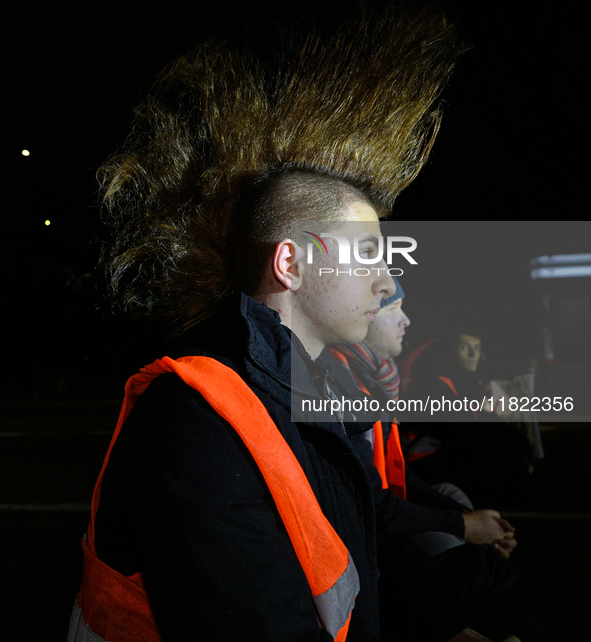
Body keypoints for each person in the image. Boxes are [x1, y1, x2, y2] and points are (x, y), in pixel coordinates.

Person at [67, 5, 526, 642]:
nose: (388, 281)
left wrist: (458, 628)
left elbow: (370, 537)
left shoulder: (314, 397)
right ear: (291, 263)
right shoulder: (198, 425)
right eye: (367, 255)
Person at [401, 324, 533, 506]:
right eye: (465, 348)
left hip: (445, 451)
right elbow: (462, 432)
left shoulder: (463, 379)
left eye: (477, 348)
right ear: (449, 350)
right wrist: (514, 453)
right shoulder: (434, 384)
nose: (473, 355)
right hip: (420, 462)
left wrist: (520, 444)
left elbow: (482, 419)